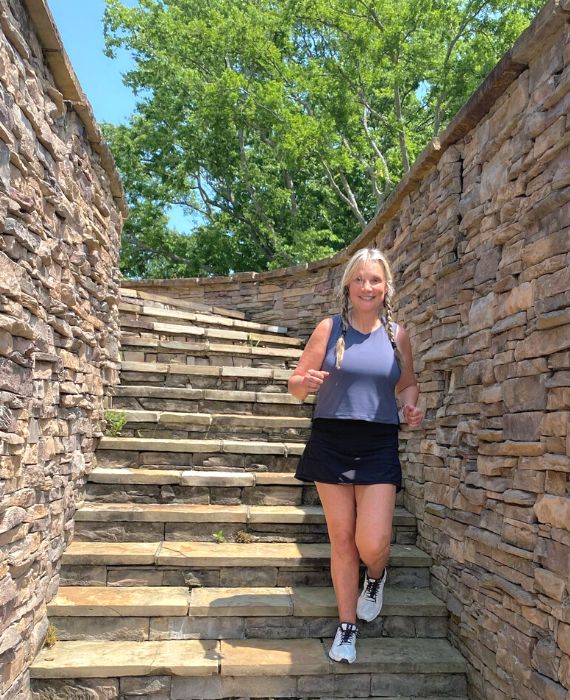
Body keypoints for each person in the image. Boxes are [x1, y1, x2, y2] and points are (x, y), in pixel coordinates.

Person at [288, 247, 423, 664]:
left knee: (374, 541)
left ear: (386, 288)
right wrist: (304, 381)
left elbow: (407, 384)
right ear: (349, 284)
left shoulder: (396, 335)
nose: (368, 287)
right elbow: (296, 384)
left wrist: (412, 406)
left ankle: (376, 576)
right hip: (332, 439)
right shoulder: (328, 329)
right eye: (360, 279)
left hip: (379, 441)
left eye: (375, 280)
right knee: (342, 539)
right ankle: (346, 627)